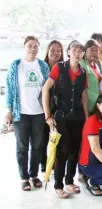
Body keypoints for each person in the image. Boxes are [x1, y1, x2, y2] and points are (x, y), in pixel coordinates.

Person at [42, 41, 89, 198]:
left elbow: (83, 95)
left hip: (77, 117)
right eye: (74, 50)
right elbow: (45, 89)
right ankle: (58, 185)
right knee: (63, 150)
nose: (77, 53)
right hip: (61, 116)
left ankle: (70, 181)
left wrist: (87, 118)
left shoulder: (83, 72)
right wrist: (48, 115)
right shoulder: (59, 68)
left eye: (80, 51)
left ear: (83, 54)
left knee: (75, 150)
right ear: (68, 52)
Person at [6, 36, 50, 191]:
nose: (33, 49)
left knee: (37, 146)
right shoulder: (16, 65)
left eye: (36, 46)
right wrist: (8, 110)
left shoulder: (43, 66)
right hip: (21, 112)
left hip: (39, 113)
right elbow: (10, 89)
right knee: (22, 146)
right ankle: (24, 177)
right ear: (24, 46)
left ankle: (34, 175)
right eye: (30, 46)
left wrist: (48, 112)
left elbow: (47, 89)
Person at [40, 40, 64, 175]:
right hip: (43, 108)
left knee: (57, 138)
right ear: (47, 51)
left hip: (59, 108)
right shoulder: (41, 66)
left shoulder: (64, 67)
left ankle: (55, 163)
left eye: (58, 50)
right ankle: (44, 166)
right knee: (43, 139)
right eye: (52, 50)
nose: (55, 53)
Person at [79, 40, 101, 114]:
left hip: (96, 105)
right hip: (85, 106)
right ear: (85, 51)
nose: (94, 53)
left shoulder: (96, 65)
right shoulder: (81, 64)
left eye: (97, 50)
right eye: (91, 50)